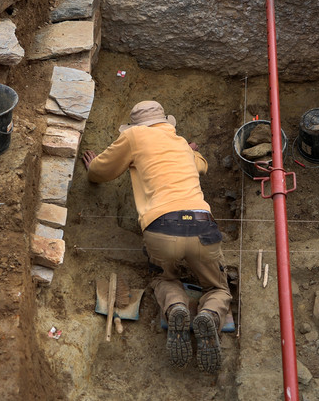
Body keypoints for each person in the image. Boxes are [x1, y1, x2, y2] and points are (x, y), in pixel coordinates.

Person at [81, 100, 230, 373]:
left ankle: (175, 308)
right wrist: (190, 151)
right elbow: (202, 166)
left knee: (164, 277)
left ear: (137, 125)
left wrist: (92, 169)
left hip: (162, 226)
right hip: (201, 223)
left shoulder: (133, 136)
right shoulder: (181, 141)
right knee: (218, 287)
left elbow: (101, 172)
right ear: (165, 123)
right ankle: (209, 314)